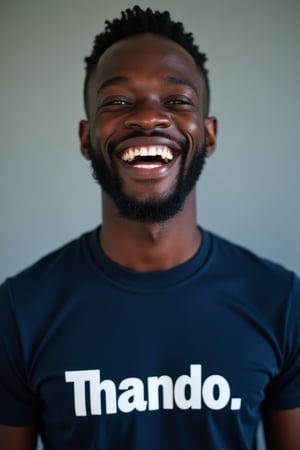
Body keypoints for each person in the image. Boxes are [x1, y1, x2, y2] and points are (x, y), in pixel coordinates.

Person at [0, 5, 299, 450]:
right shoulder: (19, 312)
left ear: (210, 135)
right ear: (87, 138)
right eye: (117, 102)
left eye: (177, 101)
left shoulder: (281, 301)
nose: (147, 117)